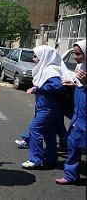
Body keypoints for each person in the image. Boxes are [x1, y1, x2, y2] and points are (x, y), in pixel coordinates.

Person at [21, 45, 64, 169]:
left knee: (34, 129)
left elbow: (56, 86)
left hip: (48, 107)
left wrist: (38, 88)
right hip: (45, 106)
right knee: (48, 133)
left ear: (44, 56)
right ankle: (51, 159)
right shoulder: (47, 69)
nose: (33, 59)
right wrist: (37, 89)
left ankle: (35, 159)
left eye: (36, 56)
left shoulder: (51, 70)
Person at [55, 39, 86, 184]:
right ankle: (70, 175)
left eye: (78, 54)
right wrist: (74, 85)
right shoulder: (81, 66)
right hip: (79, 114)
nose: (75, 57)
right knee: (73, 143)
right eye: (73, 53)